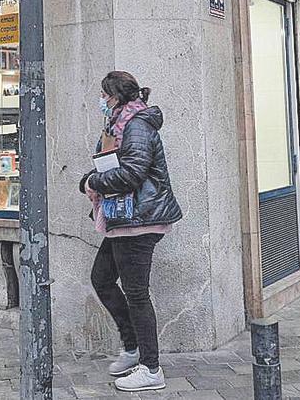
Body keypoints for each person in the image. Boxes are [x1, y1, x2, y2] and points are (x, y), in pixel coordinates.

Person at [79, 72, 184, 393]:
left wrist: (92, 183)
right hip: (123, 219)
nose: (101, 100)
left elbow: (134, 173)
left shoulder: (135, 124)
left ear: (115, 96)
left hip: (139, 220)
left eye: (104, 94)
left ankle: (151, 368)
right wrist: (91, 176)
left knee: (137, 294)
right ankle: (133, 347)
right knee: (102, 279)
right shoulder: (119, 123)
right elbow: (112, 163)